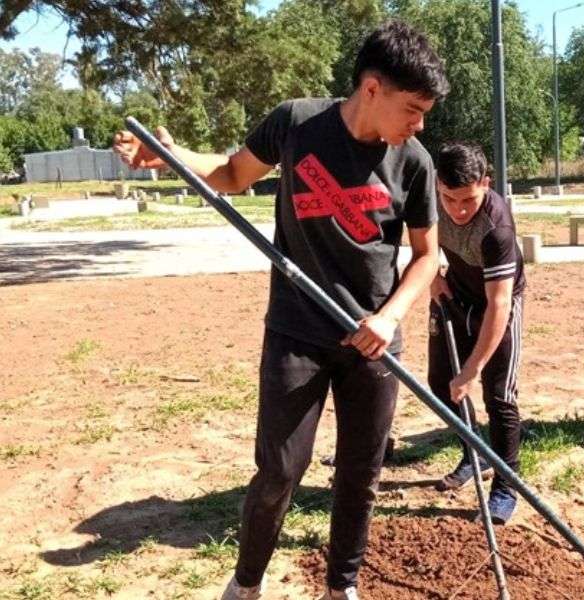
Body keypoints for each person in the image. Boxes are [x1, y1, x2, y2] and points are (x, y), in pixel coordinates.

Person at [113, 21, 448, 600]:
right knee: (279, 472)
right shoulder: (296, 124)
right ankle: (246, 584)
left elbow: (427, 256)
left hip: (372, 341)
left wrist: (390, 317)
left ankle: (340, 588)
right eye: (413, 109)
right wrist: (169, 157)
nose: (420, 124)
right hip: (298, 331)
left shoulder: (413, 162)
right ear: (372, 90)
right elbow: (231, 174)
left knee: (359, 478)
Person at [427, 141, 525, 524]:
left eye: (467, 200)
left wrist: (473, 367)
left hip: (498, 306)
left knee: (499, 396)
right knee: (441, 384)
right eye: (449, 199)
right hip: (454, 296)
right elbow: (421, 240)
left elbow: (499, 305)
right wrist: (434, 276)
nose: (458, 210)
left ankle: (506, 485)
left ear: (486, 183)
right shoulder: (432, 198)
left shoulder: (496, 228)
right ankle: (474, 451)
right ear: (438, 185)